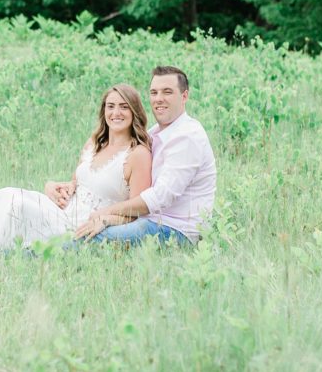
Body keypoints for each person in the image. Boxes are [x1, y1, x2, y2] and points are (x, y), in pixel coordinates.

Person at [0, 83, 153, 263]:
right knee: (5, 195)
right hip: (63, 210)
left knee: (18, 206)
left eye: (124, 107)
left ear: (134, 112)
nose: (116, 113)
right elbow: (77, 183)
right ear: (104, 112)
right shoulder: (94, 142)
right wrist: (53, 187)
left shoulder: (137, 154)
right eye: (111, 107)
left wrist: (105, 220)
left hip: (80, 226)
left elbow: (137, 210)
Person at [74, 66, 216, 246]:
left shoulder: (188, 136)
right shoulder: (155, 133)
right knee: (89, 226)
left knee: (96, 237)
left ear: (184, 96)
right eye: (154, 92)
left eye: (167, 92)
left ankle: (40, 253)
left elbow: (159, 197)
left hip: (175, 229)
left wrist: (105, 213)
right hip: (148, 220)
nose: (159, 99)